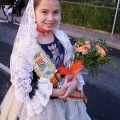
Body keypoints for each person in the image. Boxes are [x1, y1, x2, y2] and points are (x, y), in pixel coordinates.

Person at [0, 0, 91, 119]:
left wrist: (74, 82)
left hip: (65, 100)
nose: (51, 18)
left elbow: (70, 67)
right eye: (44, 12)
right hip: (39, 105)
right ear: (33, 12)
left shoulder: (62, 37)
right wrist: (52, 92)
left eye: (56, 12)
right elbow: (22, 85)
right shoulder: (26, 44)